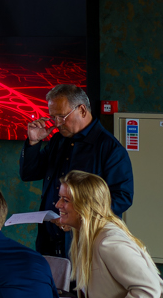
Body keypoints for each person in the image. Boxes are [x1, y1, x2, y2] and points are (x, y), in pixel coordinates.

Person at [20, 84, 133, 257]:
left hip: (86, 245)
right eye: (53, 117)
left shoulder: (110, 148)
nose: (57, 123)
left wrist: (79, 219)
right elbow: (29, 173)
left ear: (81, 110)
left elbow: (122, 198)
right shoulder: (58, 140)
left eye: (61, 116)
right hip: (49, 242)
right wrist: (33, 143)